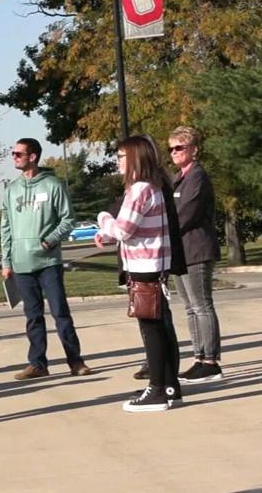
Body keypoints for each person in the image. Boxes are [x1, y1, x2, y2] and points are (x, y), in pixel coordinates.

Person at [95, 135, 186, 412]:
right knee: (159, 326)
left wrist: (103, 219)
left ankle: (158, 389)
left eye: (122, 157)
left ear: (135, 158)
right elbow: (131, 230)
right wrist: (111, 235)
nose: (118, 162)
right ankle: (170, 386)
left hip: (144, 266)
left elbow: (123, 229)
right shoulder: (154, 187)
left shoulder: (139, 189)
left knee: (151, 329)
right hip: (153, 264)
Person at [1, 138, 91, 380]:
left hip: (48, 262)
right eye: (13, 153)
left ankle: (75, 360)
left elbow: (68, 219)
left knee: (60, 312)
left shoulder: (53, 185)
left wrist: (49, 240)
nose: (14, 157)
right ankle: (38, 363)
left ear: (33, 156)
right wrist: (6, 262)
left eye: (18, 153)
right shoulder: (12, 189)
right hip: (21, 264)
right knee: (33, 316)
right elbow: (6, 227)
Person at [168, 126, 225, 383]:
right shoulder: (177, 178)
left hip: (197, 249)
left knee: (202, 305)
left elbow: (186, 213)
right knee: (190, 307)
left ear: (194, 150)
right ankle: (198, 357)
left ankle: (210, 361)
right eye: (171, 148)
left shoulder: (198, 177)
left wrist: (163, 230)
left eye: (179, 147)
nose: (174, 152)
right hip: (179, 251)